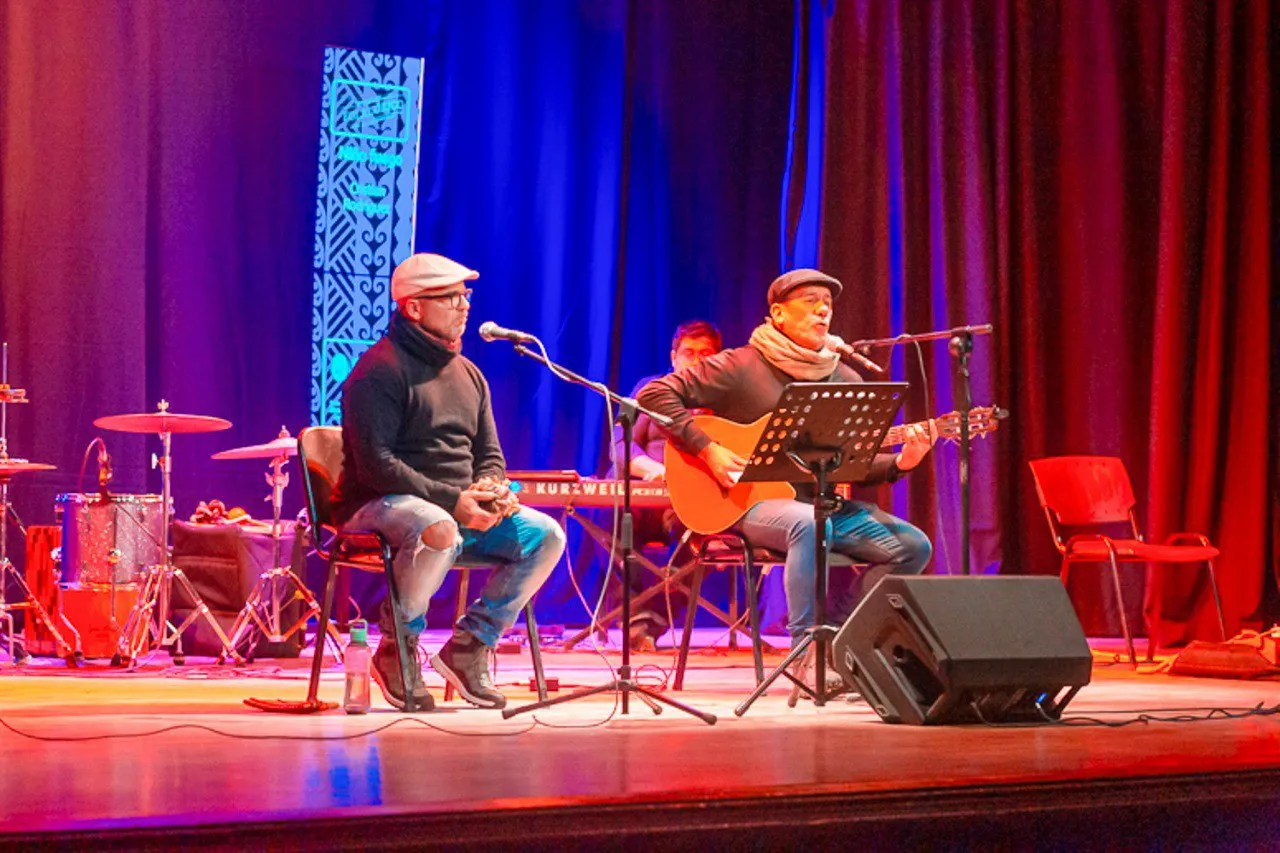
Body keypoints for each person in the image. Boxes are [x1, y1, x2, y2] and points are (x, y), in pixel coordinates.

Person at [636, 269, 935, 680]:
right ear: (777, 313)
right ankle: (803, 655)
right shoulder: (741, 365)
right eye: (811, 299)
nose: (823, 308)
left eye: (828, 302)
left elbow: (847, 462)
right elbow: (653, 395)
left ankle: (839, 639)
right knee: (805, 527)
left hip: (818, 505)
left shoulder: (844, 378)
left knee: (913, 546)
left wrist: (903, 462)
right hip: (746, 503)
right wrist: (709, 449)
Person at [332, 253, 566, 711]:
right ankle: (396, 648)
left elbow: (490, 454)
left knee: (546, 535)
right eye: (450, 297)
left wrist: (493, 489)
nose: (464, 306)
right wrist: (455, 502)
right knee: (436, 526)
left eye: (465, 296)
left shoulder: (470, 374)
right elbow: (377, 465)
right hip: (381, 504)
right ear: (413, 307)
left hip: (453, 506)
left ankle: (468, 648)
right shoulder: (377, 370)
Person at [609, 320, 722, 651]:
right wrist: (651, 469)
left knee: (704, 534)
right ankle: (634, 618)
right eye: (689, 353)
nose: (697, 360)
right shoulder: (651, 389)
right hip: (646, 492)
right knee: (610, 520)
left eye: (706, 354)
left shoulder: (727, 399)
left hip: (696, 500)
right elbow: (621, 443)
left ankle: (648, 620)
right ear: (674, 357)